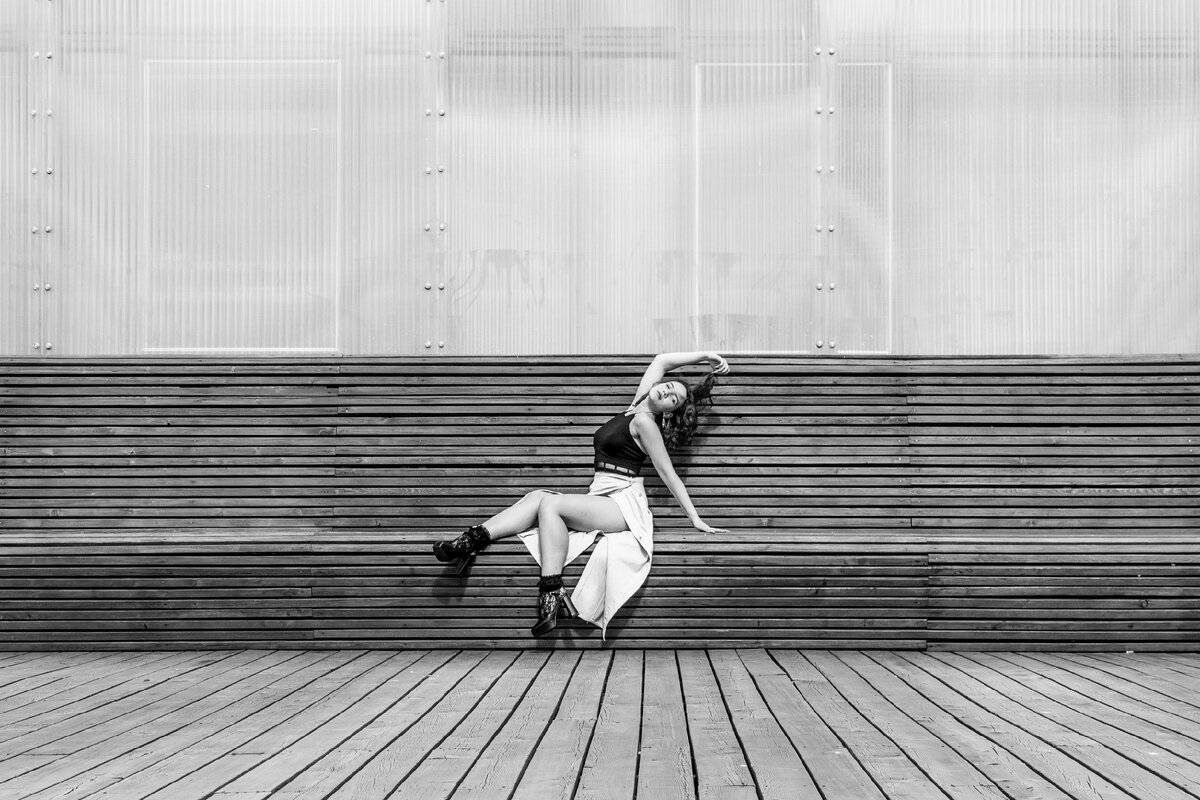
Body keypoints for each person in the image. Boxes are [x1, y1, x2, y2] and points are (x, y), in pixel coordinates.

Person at [432, 351, 731, 637]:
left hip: (621, 503)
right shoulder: (636, 405)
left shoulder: (645, 423)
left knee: (550, 505)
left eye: (673, 398)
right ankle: (469, 542)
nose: (665, 392)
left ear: (668, 413)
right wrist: (706, 356)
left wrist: (695, 519)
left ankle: (551, 592)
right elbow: (661, 361)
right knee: (537, 497)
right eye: (668, 386)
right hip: (600, 496)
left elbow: (668, 474)